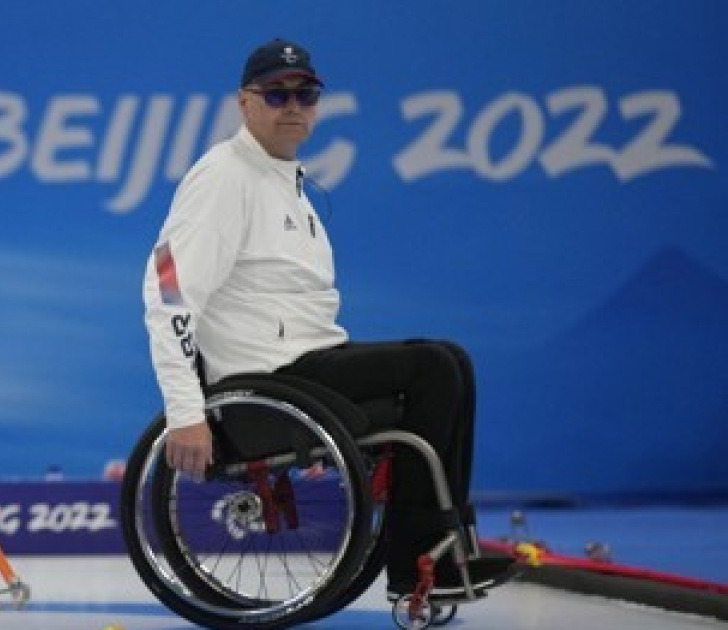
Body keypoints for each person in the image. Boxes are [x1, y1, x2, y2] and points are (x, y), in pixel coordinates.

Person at [142, 38, 515, 601]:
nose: (293, 105)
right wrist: (186, 410)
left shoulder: (287, 181)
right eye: (277, 93)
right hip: (269, 379)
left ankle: (442, 548)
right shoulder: (223, 176)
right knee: (434, 367)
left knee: (451, 361)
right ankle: (416, 559)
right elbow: (167, 290)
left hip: (312, 362)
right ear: (245, 103)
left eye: (306, 94)